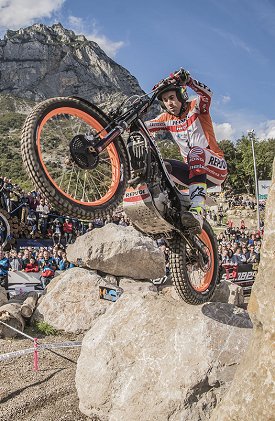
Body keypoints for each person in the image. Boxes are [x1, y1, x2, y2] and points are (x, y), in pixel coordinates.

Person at [146, 68, 227, 233]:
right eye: (165, 100)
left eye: (172, 98)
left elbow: (207, 96)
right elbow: (145, 126)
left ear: (181, 96)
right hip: (191, 174)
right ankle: (167, 209)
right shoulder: (166, 119)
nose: (169, 103)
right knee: (160, 165)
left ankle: (197, 210)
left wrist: (189, 81)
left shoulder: (196, 107)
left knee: (195, 153)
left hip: (215, 167)